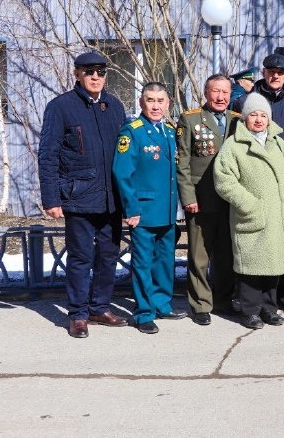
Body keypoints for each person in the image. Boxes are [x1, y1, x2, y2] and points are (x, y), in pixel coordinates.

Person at [38, 51, 128, 339]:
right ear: (77, 73)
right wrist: (51, 199)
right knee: (80, 257)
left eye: (100, 71)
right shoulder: (61, 107)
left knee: (108, 255)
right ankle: (78, 314)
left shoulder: (114, 105)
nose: (95, 77)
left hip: (111, 197)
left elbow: (125, 154)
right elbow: (48, 155)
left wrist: (128, 195)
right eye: (88, 71)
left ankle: (100, 307)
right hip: (78, 196)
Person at [213, 93, 284, 330]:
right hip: (250, 216)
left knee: (272, 267)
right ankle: (249, 311)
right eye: (253, 114)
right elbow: (224, 180)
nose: (259, 119)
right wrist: (249, 205)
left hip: (277, 215)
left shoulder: (278, 142)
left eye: (263, 115)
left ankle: (269, 308)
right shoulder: (234, 145)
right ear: (244, 118)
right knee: (250, 269)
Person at [231, 53, 284, 309]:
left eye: (281, 72)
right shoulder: (243, 101)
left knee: (279, 242)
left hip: (280, 186)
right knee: (252, 244)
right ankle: (248, 298)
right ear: (263, 73)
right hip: (252, 185)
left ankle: (278, 294)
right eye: (270, 71)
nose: (275, 76)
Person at [113, 82, 185, 334]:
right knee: (143, 263)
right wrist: (130, 209)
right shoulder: (132, 132)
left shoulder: (167, 131)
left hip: (166, 211)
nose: (156, 106)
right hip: (142, 212)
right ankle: (144, 312)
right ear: (142, 102)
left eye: (160, 101)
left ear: (168, 104)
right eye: (150, 100)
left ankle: (161, 304)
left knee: (165, 260)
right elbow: (123, 173)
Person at [176, 74, 238, 325]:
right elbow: (182, 163)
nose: (221, 97)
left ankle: (223, 300)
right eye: (216, 91)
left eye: (225, 92)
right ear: (206, 92)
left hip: (230, 200)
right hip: (201, 199)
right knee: (200, 255)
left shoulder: (238, 120)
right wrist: (188, 197)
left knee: (226, 255)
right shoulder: (190, 119)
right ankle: (201, 303)